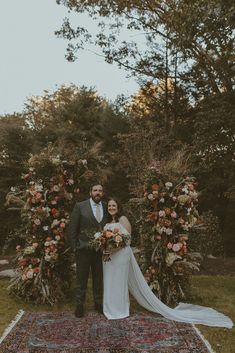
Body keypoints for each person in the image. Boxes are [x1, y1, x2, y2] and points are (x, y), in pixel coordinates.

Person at [102, 197, 233, 328]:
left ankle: (119, 310)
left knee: (119, 282)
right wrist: (106, 250)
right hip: (109, 257)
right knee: (109, 280)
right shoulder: (107, 223)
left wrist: (113, 250)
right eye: (109, 206)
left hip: (121, 256)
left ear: (118, 207)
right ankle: (109, 308)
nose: (111, 207)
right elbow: (105, 241)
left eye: (113, 205)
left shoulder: (123, 220)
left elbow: (127, 241)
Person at [69, 183, 107, 318]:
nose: (98, 192)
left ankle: (98, 303)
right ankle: (79, 305)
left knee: (99, 277)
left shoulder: (106, 206)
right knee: (81, 278)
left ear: (102, 193)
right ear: (90, 192)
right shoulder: (80, 206)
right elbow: (73, 228)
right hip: (83, 249)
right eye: (95, 190)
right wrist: (75, 247)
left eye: (100, 191)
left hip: (100, 249)